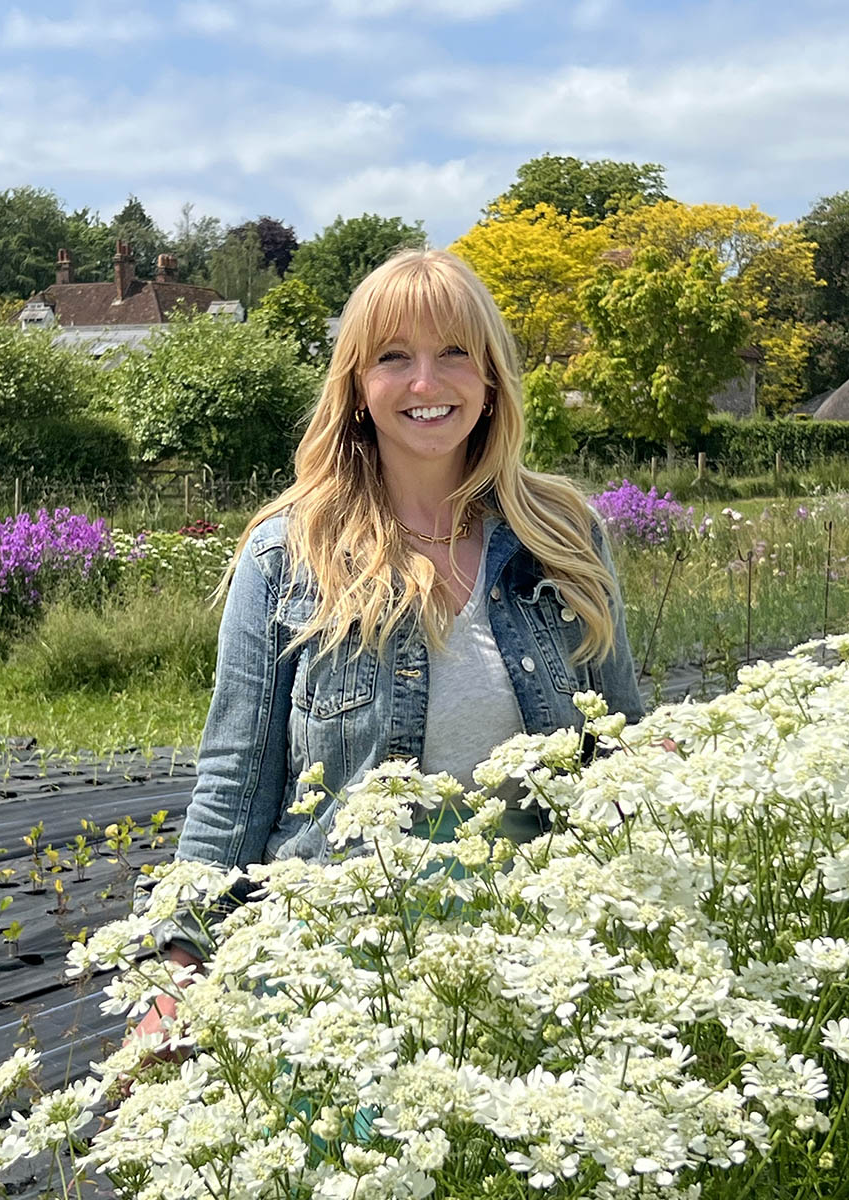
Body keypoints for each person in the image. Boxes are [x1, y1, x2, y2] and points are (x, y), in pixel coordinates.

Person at [131, 247, 643, 1040]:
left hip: (535, 964)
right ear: (358, 389)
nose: (426, 385)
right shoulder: (286, 553)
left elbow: (621, 742)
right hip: (338, 976)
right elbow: (236, 780)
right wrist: (178, 974)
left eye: (453, 356)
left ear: (492, 378)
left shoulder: (563, 535)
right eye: (395, 358)